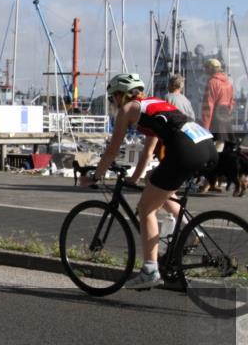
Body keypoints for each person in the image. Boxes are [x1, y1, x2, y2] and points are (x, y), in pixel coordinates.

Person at [81, 73, 217, 289]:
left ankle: (150, 270)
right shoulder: (154, 106)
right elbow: (147, 153)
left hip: (185, 151)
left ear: (121, 95)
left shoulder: (128, 110)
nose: (113, 103)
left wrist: (95, 177)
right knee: (155, 182)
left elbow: (112, 151)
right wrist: (135, 179)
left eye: (112, 98)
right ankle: (191, 230)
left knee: (145, 208)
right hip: (205, 144)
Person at [200, 58, 235, 151]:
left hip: (215, 117)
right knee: (221, 143)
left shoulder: (212, 82)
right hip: (225, 115)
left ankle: (215, 164)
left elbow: (208, 105)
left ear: (211, 68)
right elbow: (232, 101)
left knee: (213, 145)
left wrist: (205, 127)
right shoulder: (228, 82)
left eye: (206, 67)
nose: (205, 70)